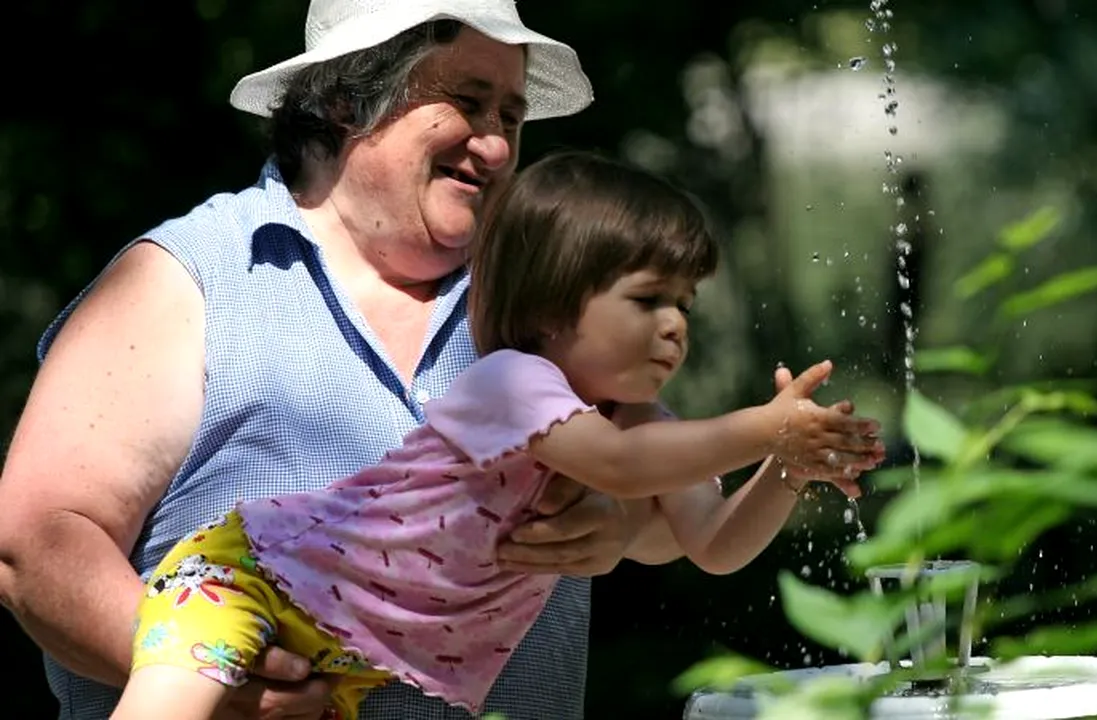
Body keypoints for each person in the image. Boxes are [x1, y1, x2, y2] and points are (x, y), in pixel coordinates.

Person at [106, 150, 885, 720]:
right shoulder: (512, 382)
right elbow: (613, 466)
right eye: (648, 300)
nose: (677, 325)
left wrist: (786, 468)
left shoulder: (647, 427)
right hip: (251, 580)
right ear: (552, 306)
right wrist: (765, 427)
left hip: (348, 660)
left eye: (685, 302)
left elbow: (712, 545)